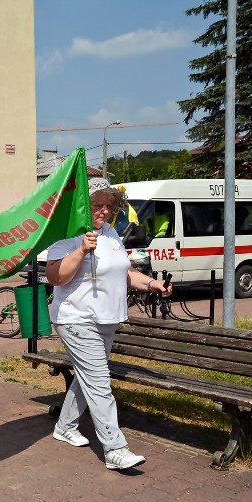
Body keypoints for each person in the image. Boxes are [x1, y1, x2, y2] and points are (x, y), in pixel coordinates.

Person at [46, 177, 171, 471]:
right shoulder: (67, 235)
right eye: (96, 204)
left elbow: (123, 274)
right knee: (99, 382)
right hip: (77, 319)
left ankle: (65, 427)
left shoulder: (112, 234)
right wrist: (80, 251)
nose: (103, 210)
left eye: (108, 205)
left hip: (107, 320)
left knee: (88, 378)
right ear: (82, 207)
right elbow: (55, 277)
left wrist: (152, 283)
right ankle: (115, 449)